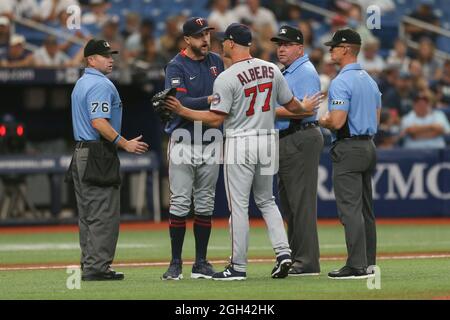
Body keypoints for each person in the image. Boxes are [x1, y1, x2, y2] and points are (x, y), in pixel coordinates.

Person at [165, 23, 322, 280]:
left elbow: (215, 120)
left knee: (238, 206)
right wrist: (305, 108)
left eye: (223, 40)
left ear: (230, 44)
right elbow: (292, 105)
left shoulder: (226, 77)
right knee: (268, 201)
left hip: (241, 142)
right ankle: (284, 253)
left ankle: (238, 266)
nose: (218, 43)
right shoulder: (271, 68)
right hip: (269, 140)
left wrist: (183, 111)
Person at [69, 38, 149, 281]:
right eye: (105, 56)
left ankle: (91, 264)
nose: (111, 59)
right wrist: (125, 143)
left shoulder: (82, 82)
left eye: (111, 54)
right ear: (91, 60)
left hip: (82, 152)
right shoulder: (100, 85)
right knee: (103, 214)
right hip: (97, 152)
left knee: (89, 214)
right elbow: (99, 122)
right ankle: (97, 267)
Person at [161, 17, 225, 281]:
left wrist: (207, 103)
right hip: (183, 139)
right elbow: (179, 101)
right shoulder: (175, 65)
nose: (205, 39)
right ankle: (175, 262)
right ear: (187, 39)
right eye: (199, 35)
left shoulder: (217, 62)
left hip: (211, 139)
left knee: (205, 203)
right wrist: (210, 100)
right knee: (180, 201)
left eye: (207, 34)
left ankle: (200, 262)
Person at [319, 29, 381, 279]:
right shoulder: (369, 79)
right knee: (366, 209)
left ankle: (356, 266)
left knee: (350, 210)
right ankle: (368, 263)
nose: (330, 50)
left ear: (346, 49)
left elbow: (337, 120)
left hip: (349, 146)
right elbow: (376, 117)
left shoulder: (341, 81)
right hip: (368, 145)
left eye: (334, 46)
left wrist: (322, 120)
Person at [270, 25, 323, 276]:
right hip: (289, 137)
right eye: (279, 44)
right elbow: (296, 107)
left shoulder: (303, 71)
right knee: (291, 204)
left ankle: (307, 262)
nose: (281, 48)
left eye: (287, 44)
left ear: (299, 48)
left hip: (299, 135)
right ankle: (296, 258)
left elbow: (305, 110)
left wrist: (263, 109)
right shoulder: (289, 70)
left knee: (300, 203)